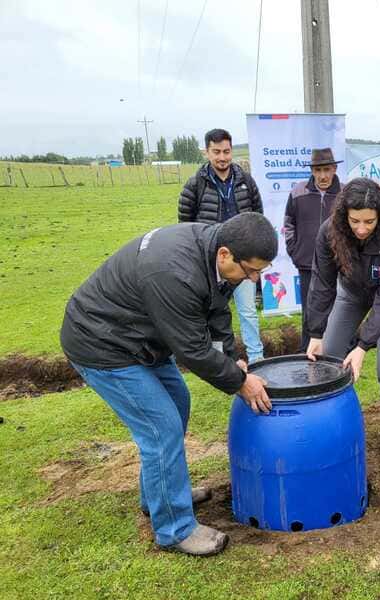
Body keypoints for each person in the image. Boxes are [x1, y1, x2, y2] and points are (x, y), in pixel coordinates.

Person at [60, 213, 278, 556]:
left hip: (143, 338)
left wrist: (230, 357)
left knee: (178, 402)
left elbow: (217, 311)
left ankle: (160, 496)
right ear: (225, 254)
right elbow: (191, 349)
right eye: (251, 270)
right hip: (103, 344)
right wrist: (240, 382)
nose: (254, 278)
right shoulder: (175, 272)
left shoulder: (215, 255)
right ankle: (175, 529)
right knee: (161, 428)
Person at [305, 178, 380, 472]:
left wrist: (363, 345)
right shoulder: (330, 232)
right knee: (327, 359)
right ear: (345, 216)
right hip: (352, 294)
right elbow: (322, 283)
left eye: (369, 221)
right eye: (355, 221)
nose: (362, 228)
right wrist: (315, 332)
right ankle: (328, 432)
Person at [178, 128, 265, 364]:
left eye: (226, 151)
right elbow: (185, 226)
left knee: (248, 311)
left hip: (243, 258)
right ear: (206, 152)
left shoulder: (245, 181)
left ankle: (257, 359)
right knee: (212, 312)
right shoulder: (195, 185)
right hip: (211, 263)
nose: (222, 157)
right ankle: (219, 361)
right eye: (216, 152)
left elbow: (258, 216)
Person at [284, 148, 343, 351]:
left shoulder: (345, 194)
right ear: (312, 170)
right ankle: (306, 353)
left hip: (338, 266)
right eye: (318, 170)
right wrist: (295, 251)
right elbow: (288, 224)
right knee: (310, 311)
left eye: (327, 169)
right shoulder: (297, 192)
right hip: (307, 264)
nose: (322, 175)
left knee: (338, 310)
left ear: (334, 169)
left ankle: (336, 353)